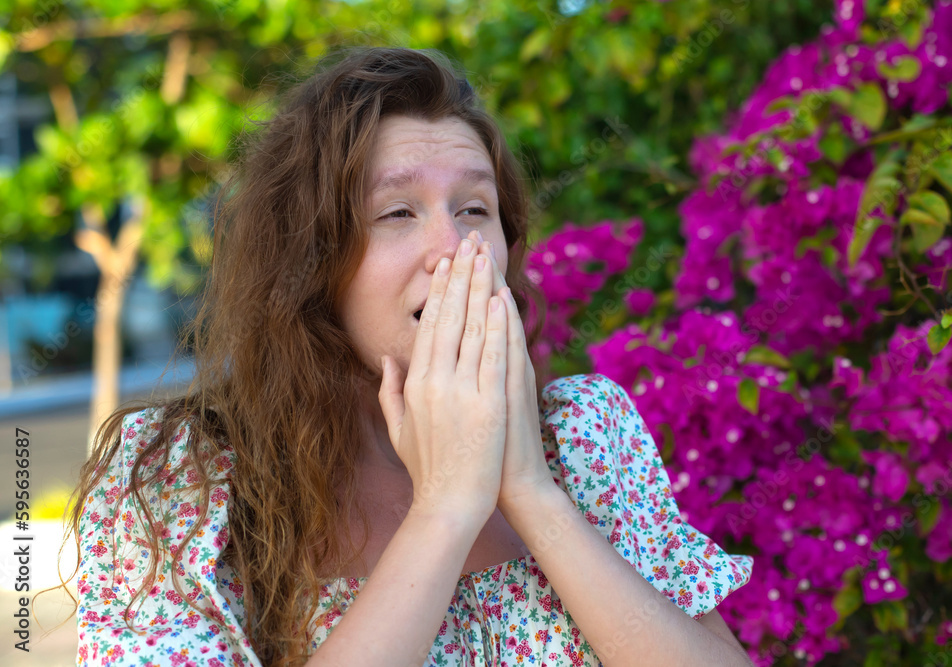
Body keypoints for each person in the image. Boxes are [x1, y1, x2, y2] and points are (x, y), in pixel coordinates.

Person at [66, 46, 754, 666]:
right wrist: (446, 509)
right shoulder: (174, 479)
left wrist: (535, 495)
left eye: (476, 209)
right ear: (310, 260)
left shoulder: (583, 434)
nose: (456, 248)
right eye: (398, 212)